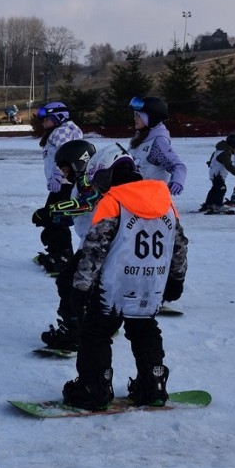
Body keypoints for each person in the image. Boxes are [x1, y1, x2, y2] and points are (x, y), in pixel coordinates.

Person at [62, 145, 189, 411]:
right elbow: (178, 243)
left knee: (96, 333)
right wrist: (176, 279)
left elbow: (95, 249)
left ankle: (94, 388)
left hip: (114, 286)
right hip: (152, 283)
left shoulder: (113, 201)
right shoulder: (165, 200)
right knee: (144, 329)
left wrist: (81, 288)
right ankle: (153, 384)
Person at [31, 139, 101, 351]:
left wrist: (51, 211)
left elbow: (86, 203)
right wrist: (52, 219)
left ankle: (74, 332)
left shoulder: (91, 181)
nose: (62, 172)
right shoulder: (81, 182)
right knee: (79, 285)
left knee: (69, 282)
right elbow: (76, 214)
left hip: (97, 245)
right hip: (92, 243)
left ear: (79, 163)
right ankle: (89, 321)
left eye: (65, 167)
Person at [35, 101, 83, 274]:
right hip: (60, 184)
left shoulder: (62, 132)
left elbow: (68, 154)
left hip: (64, 184)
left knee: (57, 218)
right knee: (50, 217)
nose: (44, 123)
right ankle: (56, 252)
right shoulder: (57, 131)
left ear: (59, 117)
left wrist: (58, 175)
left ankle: (63, 258)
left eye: (47, 119)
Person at [127, 96, 187, 196]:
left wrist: (177, 181)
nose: (135, 118)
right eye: (135, 115)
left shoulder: (158, 141)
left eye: (139, 116)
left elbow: (178, 166)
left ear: (151, 118)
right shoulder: (140, 138)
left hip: (151, 201)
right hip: (135, 197)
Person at [200, 134, 235, 214]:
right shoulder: (225, 152)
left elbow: (213, 157)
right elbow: (228, 165)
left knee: (215, 188)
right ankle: (218, 205)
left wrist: (210, 162)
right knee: (222, 188)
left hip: (215, 172)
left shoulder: (221, 149)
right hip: (218, 174)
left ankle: (209, 204)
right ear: (234, 144)